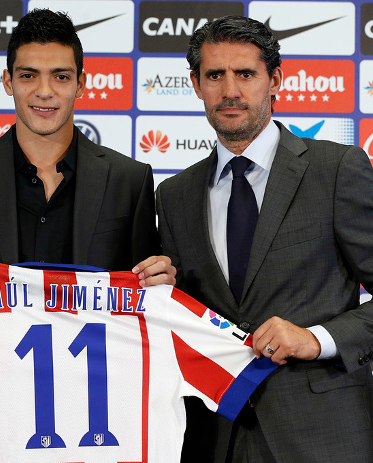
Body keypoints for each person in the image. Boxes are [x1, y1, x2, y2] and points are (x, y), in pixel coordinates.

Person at [0, 8, 176, 462]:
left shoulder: (129, 179)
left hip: (93, 425)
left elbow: (146, 311)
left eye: (61, 76)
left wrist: (162, 284)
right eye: (29, 75)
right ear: (8, 81)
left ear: (81, 83)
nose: (45, 91)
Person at [156, 15, 373, 463]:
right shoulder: (174, 194)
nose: (230, 91)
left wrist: (317, 338)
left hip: (323, 437)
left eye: (245, 74)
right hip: (214, 437)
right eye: (215, 76)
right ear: (196, 84)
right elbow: (183, 319)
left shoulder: (337, 170)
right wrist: (157, 293)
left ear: (274, 80)